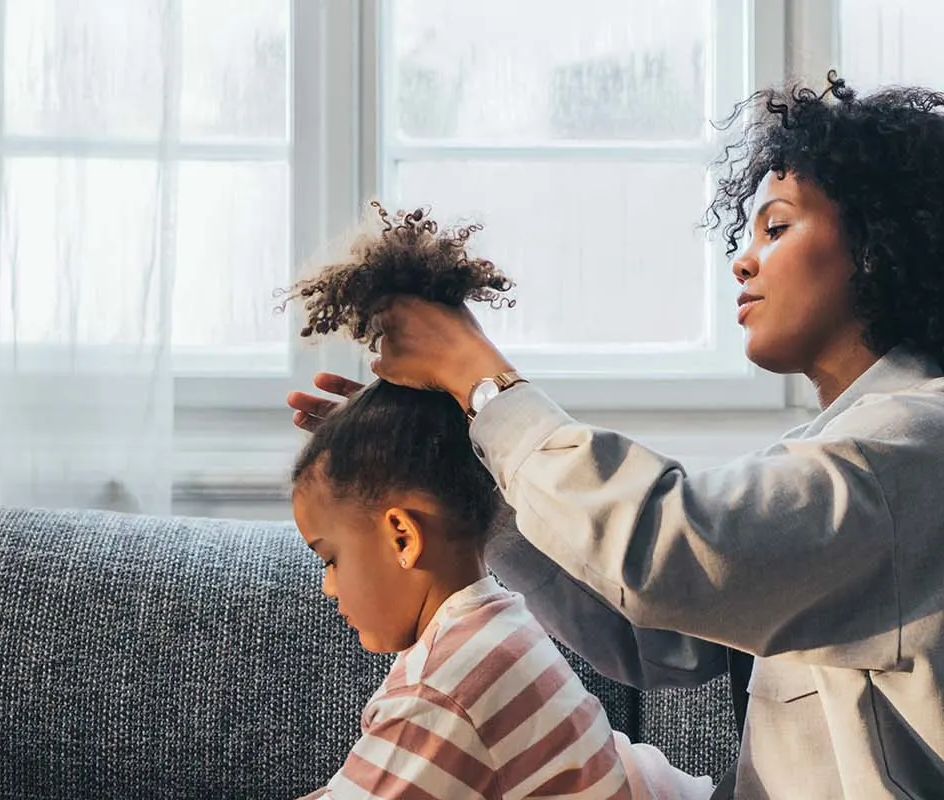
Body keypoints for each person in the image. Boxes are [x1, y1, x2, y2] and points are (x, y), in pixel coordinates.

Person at [290, 75, 944, 797]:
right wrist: (461, 486)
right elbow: (654, 636)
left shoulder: (926, 444)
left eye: (776, 227)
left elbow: (667, 553)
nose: (743, 262)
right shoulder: (851, 451)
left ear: (881, 247)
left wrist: (480, 376)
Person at [287, 206, 710, 799]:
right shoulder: (501, 629)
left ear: (404, 536)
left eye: (328, 558)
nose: (328, 587)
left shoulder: (445, 688)